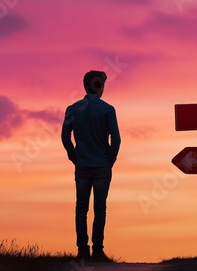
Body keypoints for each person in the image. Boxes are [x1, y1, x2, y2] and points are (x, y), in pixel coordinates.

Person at [61, 70, 121, 261]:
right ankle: (97, 249)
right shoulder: (107, 109)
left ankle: (82, 250)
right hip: (102, 165)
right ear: (100, 87)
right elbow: (116, 139)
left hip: (83, 165)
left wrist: (74, 156)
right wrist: (110, 159)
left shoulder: (72, 109)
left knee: (81, 207)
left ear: (85, 86)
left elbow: (65, 137)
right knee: (100, 208)